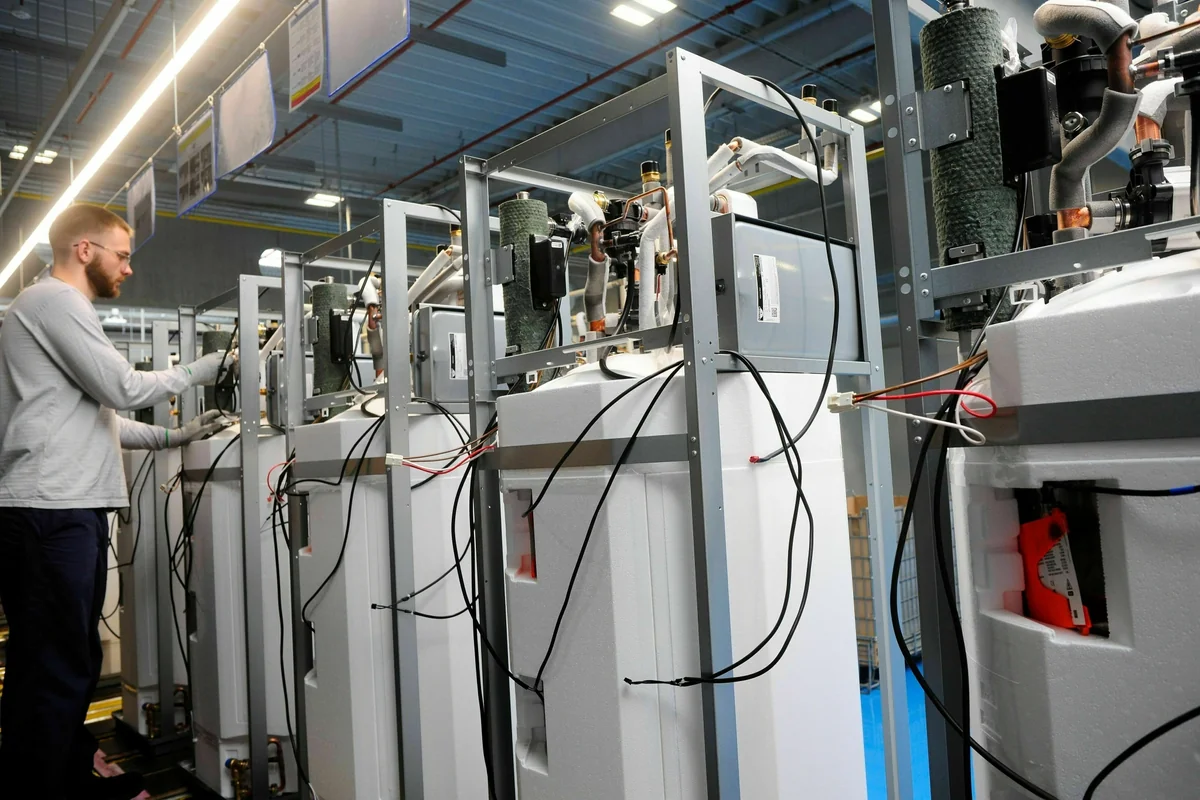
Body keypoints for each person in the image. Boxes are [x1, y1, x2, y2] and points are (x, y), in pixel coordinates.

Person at [0, 204, 235, 799]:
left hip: (59, 506)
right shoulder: (55, 301)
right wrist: (199, 370)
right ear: (85, 250)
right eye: (122, 255)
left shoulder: (49, 307)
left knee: (63, 656)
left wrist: (174, 437)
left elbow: (102, 416)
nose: (128, 268)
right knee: (55, 664)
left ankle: (64, 771)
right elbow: (123, 388)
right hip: (50, 510)